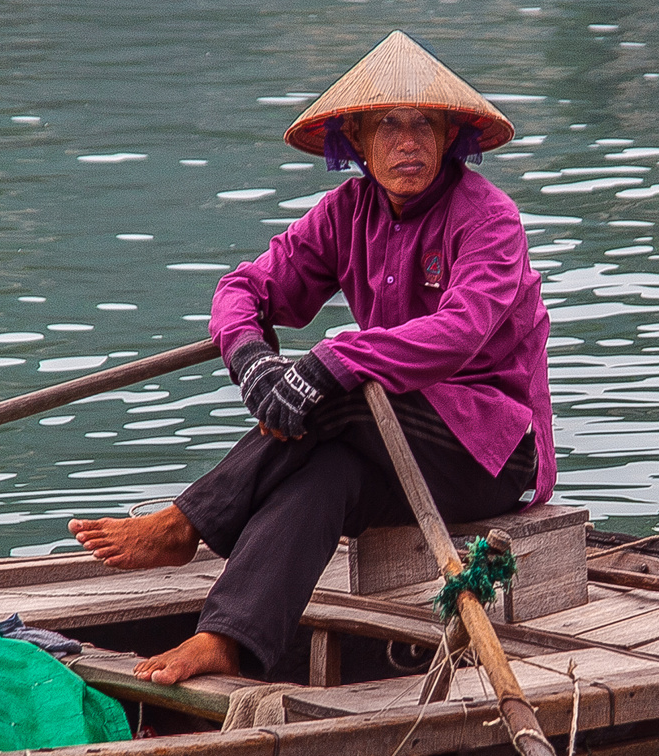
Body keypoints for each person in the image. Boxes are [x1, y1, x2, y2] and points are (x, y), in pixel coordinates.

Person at [69, 31, 554, 685]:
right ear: (354, 140)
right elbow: (244, 289)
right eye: (386, 126)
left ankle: (185, 522)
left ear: (447, 137)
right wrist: (250, 359)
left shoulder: (487, 219)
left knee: (340, 390)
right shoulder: (345, 214)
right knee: (323, 474)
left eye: (422, 126)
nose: (406, 143)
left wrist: (330, 362)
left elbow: (460, 331)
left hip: (487, 451)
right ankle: (224, 637)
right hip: (386, 435)